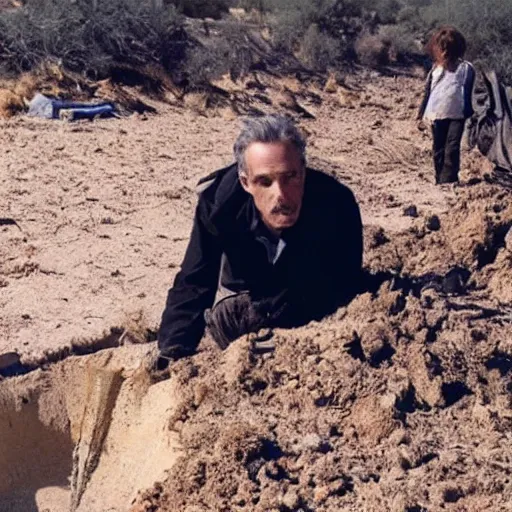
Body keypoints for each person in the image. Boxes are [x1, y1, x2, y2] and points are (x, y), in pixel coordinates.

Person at [157, 115, 363, 367]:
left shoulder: (336, 203)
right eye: (264, 181)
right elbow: (195, 280)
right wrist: (173, 349)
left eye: (290, 177)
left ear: (303, 171)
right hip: (244, 295)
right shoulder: (218, 205)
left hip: (309, 294)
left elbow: (345, 279)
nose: (281, 195)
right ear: (245, 182)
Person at [417, 26, 475, 184]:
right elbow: (427, 93)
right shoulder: (435, 70)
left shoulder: (466, 69)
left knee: (452, 147)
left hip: (457, 115)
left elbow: (469, 93)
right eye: (441, 48)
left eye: (447, 49)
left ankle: (449, 180)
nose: (444, 53)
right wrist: (420, 115)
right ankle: (439, 179)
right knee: (438, 148)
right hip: (438, 114)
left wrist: (470, 114)